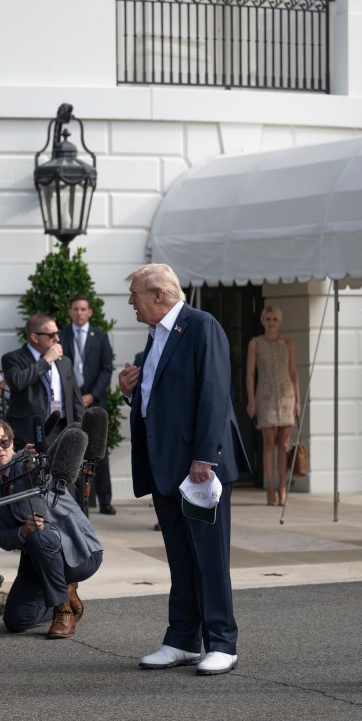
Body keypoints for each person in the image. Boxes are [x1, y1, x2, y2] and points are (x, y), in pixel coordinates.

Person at [118, 264, 250, 677]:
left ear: (158, 295)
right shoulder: (157, 333)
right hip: (167, 466)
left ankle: (222, 643)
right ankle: (181, 639)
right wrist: (130, 393)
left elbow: (214, 391)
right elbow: (163, 397)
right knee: (180, 557)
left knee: (210, 557)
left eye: (135, 294)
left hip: (197, 468)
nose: (130, 303)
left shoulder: (201, 325)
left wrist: (205, 457)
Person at [0, 418, 103, 638]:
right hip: (41, 558)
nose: (0, 450)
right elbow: (3, 537)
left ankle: (63, 612)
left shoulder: (32, 463)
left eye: (4, 443)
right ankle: (64, 595)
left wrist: (36, 457)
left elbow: (72, 434)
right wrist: (22, 532)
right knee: (16, 620)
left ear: (12, 442)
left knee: (38, 537)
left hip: (78, 553)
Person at [59, 295, 116, 514]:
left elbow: (106, 368)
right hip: (71, 400)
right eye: (76, 309)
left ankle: (105, 500)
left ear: (90, 312)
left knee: (98, 451)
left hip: (94, 399)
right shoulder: (62, 335)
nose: (80, 313)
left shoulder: (100, 336)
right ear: (70, 311)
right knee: (74, 447)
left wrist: (93, 394)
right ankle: (77, 500)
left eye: (83, 309)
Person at [245, 305, 301, 506]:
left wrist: (298, 400)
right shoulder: (255, 343)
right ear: (263, 321)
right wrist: (251, 400)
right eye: (268, 319)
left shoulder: (288, 343)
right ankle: (270, 488)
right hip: (265, 396)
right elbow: (250, 374)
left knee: (283, 445)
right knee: (269, 443)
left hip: (286, 395)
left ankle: (283, 488)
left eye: (274, 319)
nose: (271, 323)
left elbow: (293, 372)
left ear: (279, 321)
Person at [3, 313, 85, 448]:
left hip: (62, 429)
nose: (57, 339)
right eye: (51, 335)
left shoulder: (64, 361)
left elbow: (76, 400)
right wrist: (46, 360)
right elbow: (17, 382)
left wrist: (80, 435)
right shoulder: (13, 358)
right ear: (34, 337)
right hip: (30, 431)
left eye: (57, 333)